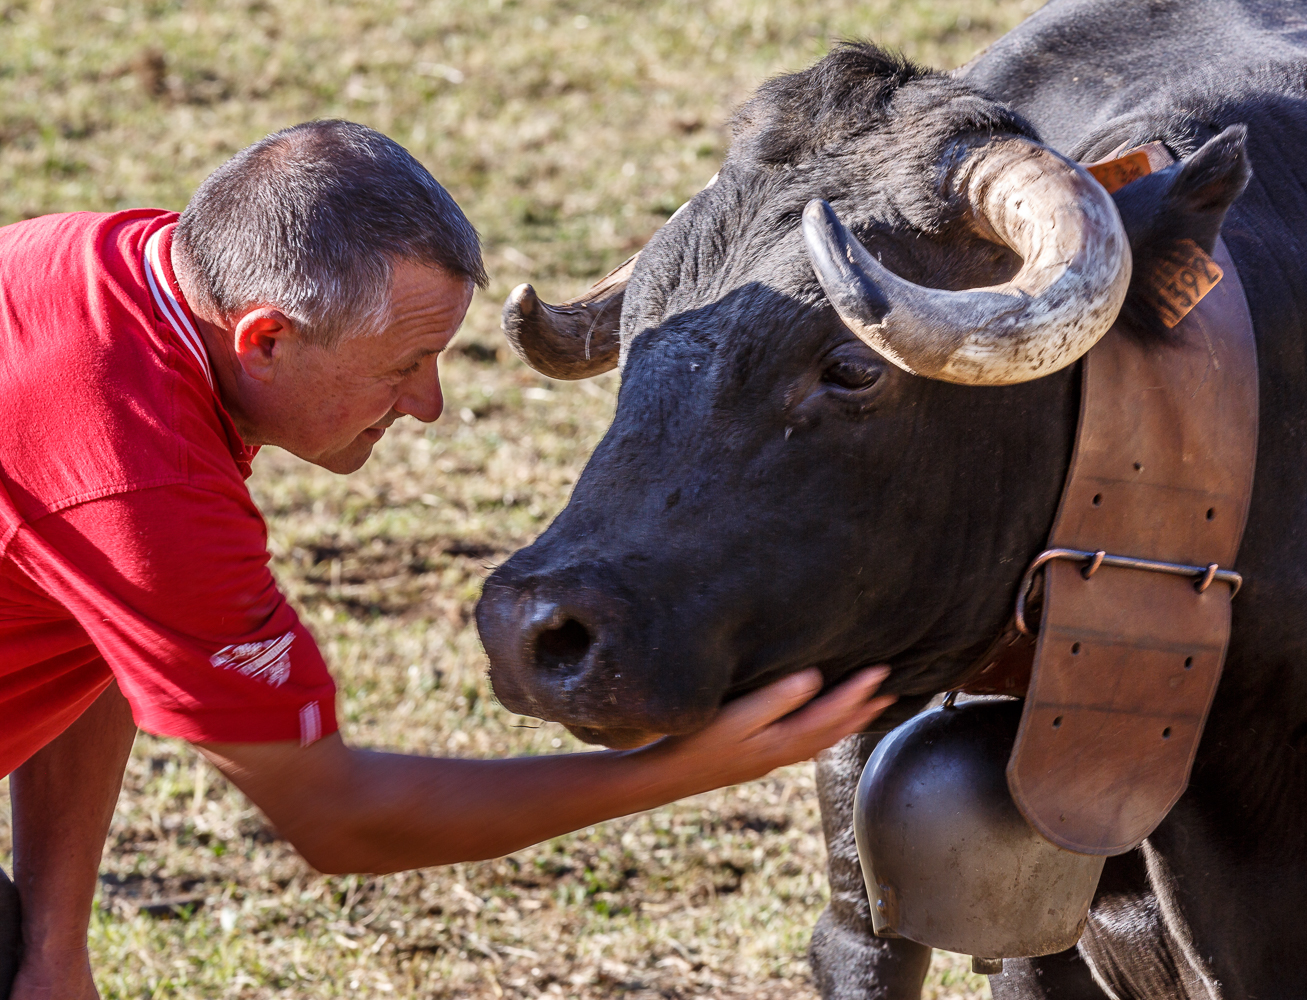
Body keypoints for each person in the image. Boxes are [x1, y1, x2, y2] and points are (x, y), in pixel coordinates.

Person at [0, 120, 894, 1000]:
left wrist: (51, 949)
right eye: (405, 365)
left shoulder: (109, 273)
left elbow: (98, 621)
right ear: (266, 338)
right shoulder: (138, 479)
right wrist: (677, 769)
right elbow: (339, 820)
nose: (427, 405)